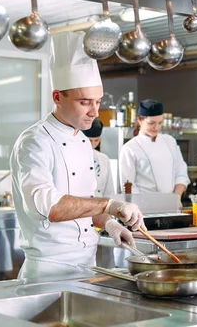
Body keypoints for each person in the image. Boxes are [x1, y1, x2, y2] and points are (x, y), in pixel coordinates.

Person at [9, 32, 145, 283]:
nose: (95, 112)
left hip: (86, 267)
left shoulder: (83, 142)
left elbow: (85, 203)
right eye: (85, 102)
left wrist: (109, 223)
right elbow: (48, 206)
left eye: (98, 101)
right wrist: (109, 205)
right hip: (48, 272)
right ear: (57, 97)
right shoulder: (35, 142)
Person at [119, 99, 190, 207]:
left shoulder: (170, 141)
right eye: (151, 123)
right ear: (140, 120)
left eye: (159, 123)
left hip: (171, 205)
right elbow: (128, 186)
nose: (156, 127)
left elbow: (181, 173)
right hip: (144, 208)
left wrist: (176, 198)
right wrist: (141, 207)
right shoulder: (130, 148)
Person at [82, 118, 115, 198]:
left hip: (101, 205)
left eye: (96, 141)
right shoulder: (72, 157)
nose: (93, 145)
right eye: (89, 141)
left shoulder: (104, 159)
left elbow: (109, 190)